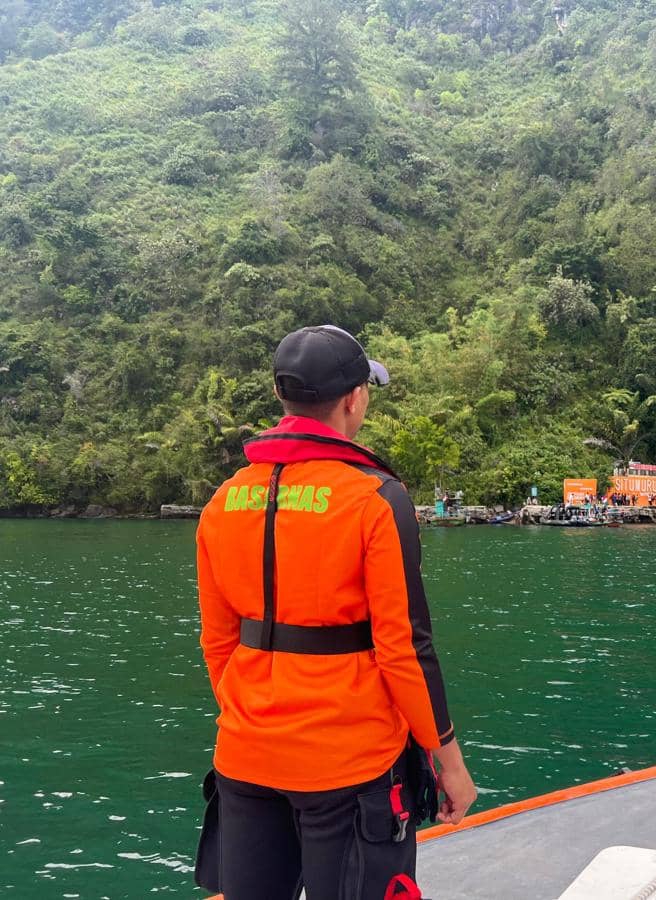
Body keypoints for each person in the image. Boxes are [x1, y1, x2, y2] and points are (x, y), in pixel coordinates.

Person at [194, 325, 476, 900]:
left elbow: (218, 642)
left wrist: (257, 716)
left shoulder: (225, 500)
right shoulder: (375, 499)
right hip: (347, 767)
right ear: (354, 399)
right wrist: (448, 761)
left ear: (284, 399)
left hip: (245, 756)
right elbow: (404, 649)